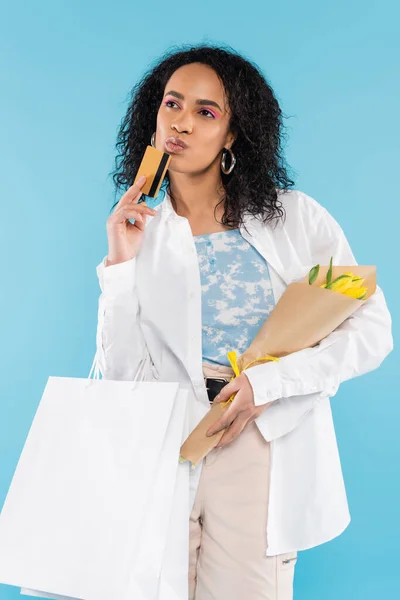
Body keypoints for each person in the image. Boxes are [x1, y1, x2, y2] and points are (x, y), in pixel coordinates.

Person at [94, 44, 393, 600]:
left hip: (257, 440)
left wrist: (269, 384)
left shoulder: (295, 218)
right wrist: (118, 266)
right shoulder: (140, 231)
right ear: (152, 115)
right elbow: (120, 377)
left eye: (206, 112)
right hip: (164, 445)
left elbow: (372, 332)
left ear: (234, 135)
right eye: (172, 104)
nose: (181, 122)